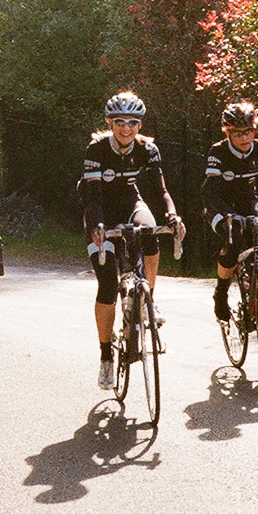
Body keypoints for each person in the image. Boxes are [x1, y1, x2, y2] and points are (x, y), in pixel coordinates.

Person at [81, 90, 184, 391]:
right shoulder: (97, 149)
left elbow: (160, 190)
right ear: (110, 123)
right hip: (99, 210)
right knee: (107, 285)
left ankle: (148, 298)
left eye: (133, 123)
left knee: (150, 231)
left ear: (140, 125)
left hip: (130, 203)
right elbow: (92, 197)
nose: (127, 129)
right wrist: (98, 226)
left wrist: (173, 216)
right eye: (120, 122)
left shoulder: (148, 150)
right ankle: (105, 356)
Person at [202, 101, 258, 328]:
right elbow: (210, 191)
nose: (245, 138)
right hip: (219, 204)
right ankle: (221, 292)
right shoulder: (218, 151)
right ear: (227, 132)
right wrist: (228, 214)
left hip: (248, 201)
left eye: (249, 131)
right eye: (237, 133)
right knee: (233, 239)